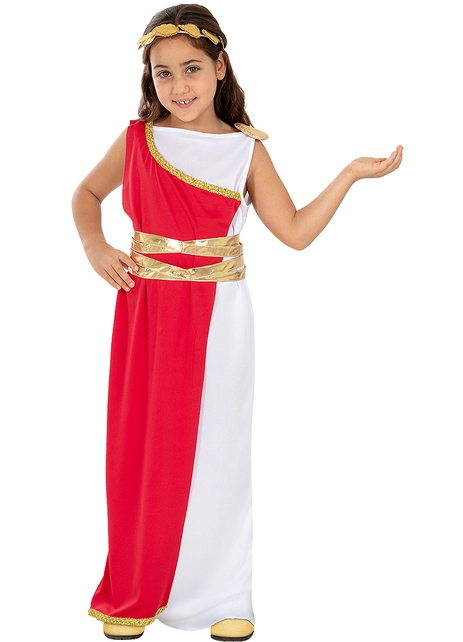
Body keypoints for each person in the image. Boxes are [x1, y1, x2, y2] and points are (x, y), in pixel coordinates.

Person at [72, 3, 403, 641]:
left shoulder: (246, 151)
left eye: (192, 68)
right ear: (149, 78)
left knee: (217, 448)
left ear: (220, 67)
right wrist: (95, 245)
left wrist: (351, 175)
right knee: (144, 444)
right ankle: (139, 587)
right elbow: (86, 194)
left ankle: (226, 595)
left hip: (220, 317)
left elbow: (295, 232)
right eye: (163, 73)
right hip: (146, 310)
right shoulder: (138, 139)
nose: (179, 86)